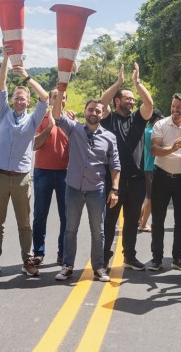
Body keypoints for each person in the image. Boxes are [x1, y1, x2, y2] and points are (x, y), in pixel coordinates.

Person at [0, 50, 49, 276]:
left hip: (21, 177)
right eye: (16, 97)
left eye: (23, 98)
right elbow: (0, 86)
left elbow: (45, 98)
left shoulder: (33, 120)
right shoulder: (3, 113)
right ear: (12, 100)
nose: (19, 101)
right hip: (0, 176)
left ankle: (27, 260)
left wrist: (27, 77)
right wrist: (5, 59)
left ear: (27, 101)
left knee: (24, 223)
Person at [53, 91, 120, 282]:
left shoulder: (109, 137)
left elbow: (115, 165)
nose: (94, 113)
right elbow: (57, 115)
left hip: (96, 190)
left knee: (98, 231)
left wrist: (114, 189)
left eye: (98, 111)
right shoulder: (73, 128)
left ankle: (98, 267)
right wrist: (61, 90)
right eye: (91, 110)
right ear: (85, 111)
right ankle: (67, 266)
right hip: (73, 187)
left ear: (102, 114)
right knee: (70, 229)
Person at [98, 64, 154, 270]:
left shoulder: (138, 119)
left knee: (131, 222)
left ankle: (129, 256)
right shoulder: (108, 118)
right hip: (114, 181)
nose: (132, 101)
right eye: (127, 98)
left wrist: (137, 83)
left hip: (137, 181)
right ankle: (103, 258)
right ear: (117, 101)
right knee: (110, 222)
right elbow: (101, 102)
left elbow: (149, 103)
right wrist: (118, 83)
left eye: (133, 99)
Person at [146, 94, 181, 272]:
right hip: (161, 176)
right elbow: (154, 150)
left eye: (179, 107)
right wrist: (173, 148)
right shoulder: (161, 125)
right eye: (173, 106)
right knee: (158, 220)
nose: (175, 110)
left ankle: (178, 258)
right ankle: (156, 259)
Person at [31, 91, 72, 267]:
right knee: (40, 215)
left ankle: (62, 253)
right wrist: (49, 126)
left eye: (62, 97)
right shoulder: (41, 119)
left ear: (65, 100)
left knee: (66, 216)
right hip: (43, 172)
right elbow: (35, 144)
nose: (59, 100)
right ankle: (38, 252)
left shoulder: (70, 120)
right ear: (50, 100)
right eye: (55, 97)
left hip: (65, 173)